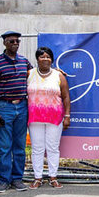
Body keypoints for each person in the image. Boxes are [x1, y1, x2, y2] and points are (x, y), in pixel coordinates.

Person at [0, 31, 33, 193]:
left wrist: (57, 73)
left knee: (20, 145)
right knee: (4, 146)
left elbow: (36, 76)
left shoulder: (24, 61)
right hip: (3, 107)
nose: (15, 43)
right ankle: (4, 180)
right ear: (4, 43)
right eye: (11, 41)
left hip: (22, 106)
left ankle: (17, 178)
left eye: (17, 41)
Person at [27, 47, 71, 189]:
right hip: (35, 117)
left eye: (48, 57)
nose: (45, 59)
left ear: (52, 59)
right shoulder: (29, 74)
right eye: (42, 57)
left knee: (53, 148)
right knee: (37, 148)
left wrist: (67, 116)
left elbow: (66, 98)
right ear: (37, 59)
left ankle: (53, 177)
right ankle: (38, 177)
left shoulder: (59, 76)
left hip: (55, 117)